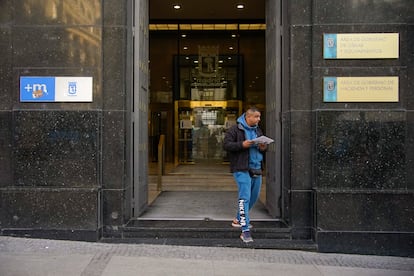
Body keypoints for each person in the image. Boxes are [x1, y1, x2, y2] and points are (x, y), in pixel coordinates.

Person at [223, 107, 267, 243]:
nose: (259, 119)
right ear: (248, 117)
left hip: (257, 168)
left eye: (259, 117)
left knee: (254, 197)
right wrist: (242, 144)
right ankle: (245, 229)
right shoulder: (234, 130)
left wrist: (263, 147)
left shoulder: (258, 130)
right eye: (256, 116)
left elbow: (263, 149)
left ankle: (238, 219)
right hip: (241, 168)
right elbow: (226, 145)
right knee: (244, 198)